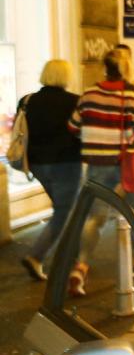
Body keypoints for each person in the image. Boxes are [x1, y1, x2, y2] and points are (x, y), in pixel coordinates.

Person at [67, 49, 134, 295]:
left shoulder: (89, 94)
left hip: (97, 164)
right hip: (128, 165)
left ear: (104, 68)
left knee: (95, 216)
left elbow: (73, 126)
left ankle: (81, 266)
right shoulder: (130, 96)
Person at [18, 60, 83, 281]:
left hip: (38, 165)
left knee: (65, 210)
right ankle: (37, 256)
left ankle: (71, 259)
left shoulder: (27, 101)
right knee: (65, 212)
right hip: (67, 163)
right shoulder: (75, 102)